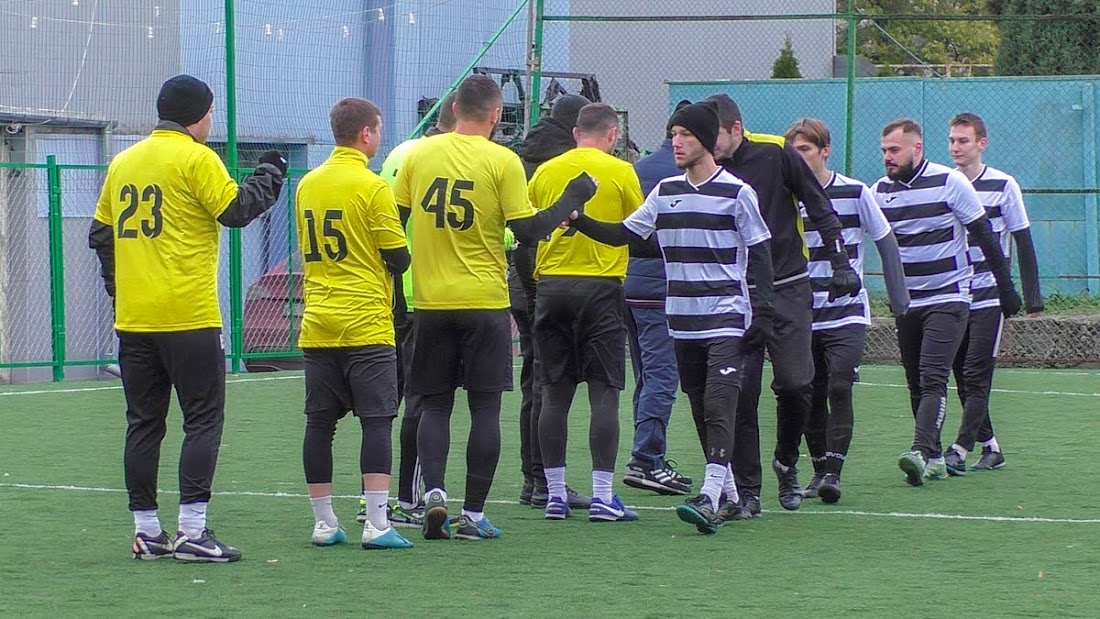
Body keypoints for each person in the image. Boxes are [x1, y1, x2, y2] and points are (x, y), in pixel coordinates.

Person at [88, 74, 287, 562]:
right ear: (199, 115)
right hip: (189, 315)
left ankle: (147, 532)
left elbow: (100, 235)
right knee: (202, 420)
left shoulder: (124, 161)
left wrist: (121, 293)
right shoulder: (197, 157)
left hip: (135, 319)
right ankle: (193, 532)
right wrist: (271, 173)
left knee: (143, 423)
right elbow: (237, 210)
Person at [392, 74, 595, 541]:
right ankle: (475, 515)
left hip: (430, 302)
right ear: (497, 114)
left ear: (454, 107)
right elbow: (528, 230)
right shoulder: (502, 160)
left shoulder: (418, 154)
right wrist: (573, 197)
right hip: (484, 300)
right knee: (484, 410)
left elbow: (394, 219)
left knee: (435, 405)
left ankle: (434, 493)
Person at [568, 102, 774, 534]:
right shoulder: (665, 191)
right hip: (680, 319)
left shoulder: (738, 193)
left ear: (708, 141)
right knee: (699, 407)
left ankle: (709, 494)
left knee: (720, 405)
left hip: (726, 317)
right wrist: (579, 221)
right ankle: (732, 497)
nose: (676, 142)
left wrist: (763, 313)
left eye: (686, 135)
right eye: (673, 133)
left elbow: (760, 252)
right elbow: (624, 234)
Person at [704, 94, 860, 515]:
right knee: (742, 392)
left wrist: (840, 260)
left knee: (797, 385)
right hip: (737, 293)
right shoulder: (705, 166)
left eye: (713, 134)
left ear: (736, 129)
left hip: (789, 286)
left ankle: (786, 461)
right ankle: (748, 492)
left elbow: (818, 203)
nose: (706, 142)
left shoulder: (776, 152)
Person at [870, 119, 1022, 486]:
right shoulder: (877, 192)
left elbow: (985, 236)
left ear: (916, 149)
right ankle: (936, 457)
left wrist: (1006, 290)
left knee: (933, 375)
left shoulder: (948, 182)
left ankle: (920, 450)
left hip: (949, 296)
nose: (888, 158)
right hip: (909, 302)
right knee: (914, 382)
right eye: (884, 151)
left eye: (895, 150)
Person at [296, 98, 412, 550]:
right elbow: (398, 258)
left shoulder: (308, 183)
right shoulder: (372, 185)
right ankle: (377, 524)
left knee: (319, 423)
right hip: (365, 322)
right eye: (378, 129)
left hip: (318, 320)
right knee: (377, 421)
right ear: (366, 133)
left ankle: (324, 523)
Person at [783, 118, 910, 503]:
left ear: (825, 150)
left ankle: (833, 474)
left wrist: (899, 300)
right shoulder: (784, 197)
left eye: (804, 150)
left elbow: (885, 240)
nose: (798, 158)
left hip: (846, 311)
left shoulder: (854, 191)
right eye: (792, 152)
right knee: (808, 390)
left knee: (839, 384)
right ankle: (819, 467)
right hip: (802, 313)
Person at [528, 103, 644, 522]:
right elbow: (637, 225)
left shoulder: (546, 171)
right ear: (612, 135)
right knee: (604, 393)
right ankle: (602, 497)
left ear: (576, 133)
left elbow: (531, 221)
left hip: (552, 286)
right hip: (601, 289)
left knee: (554, 394)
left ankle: (555, 496)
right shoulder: (622, 171)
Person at [361, 92, 457, 530]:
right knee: (426, 399)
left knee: (394, 398)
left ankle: (381, 498)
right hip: (432, 291)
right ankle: (408, 496)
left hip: (396, 291)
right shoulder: (448, 157)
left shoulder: (400, 153)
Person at [944, 112, 1043, 474]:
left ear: (981, 144)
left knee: (975, 371)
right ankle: (991, 446)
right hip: (952, 294)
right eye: (952, 140)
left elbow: (1022, 237)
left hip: (989, 294)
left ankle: (959, 448)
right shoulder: (945, 183)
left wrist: (1030, 297)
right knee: (958, 370)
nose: (956, 147)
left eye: (964, 140)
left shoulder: (1003, 185)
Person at [513, 93, 593, 510]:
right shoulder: (565, 166)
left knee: (535, 380)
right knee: (552, 383)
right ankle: (546, 479)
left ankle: (534, 477)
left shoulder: (523, 160)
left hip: (518, 284)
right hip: (545, 283)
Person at [621, 99, 694, 497]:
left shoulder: (639, 168)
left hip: (630, 286)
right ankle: (646, 458)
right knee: (663, 375)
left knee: (647, 375)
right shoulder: (687, 174)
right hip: (663, 289)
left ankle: (647, 456)